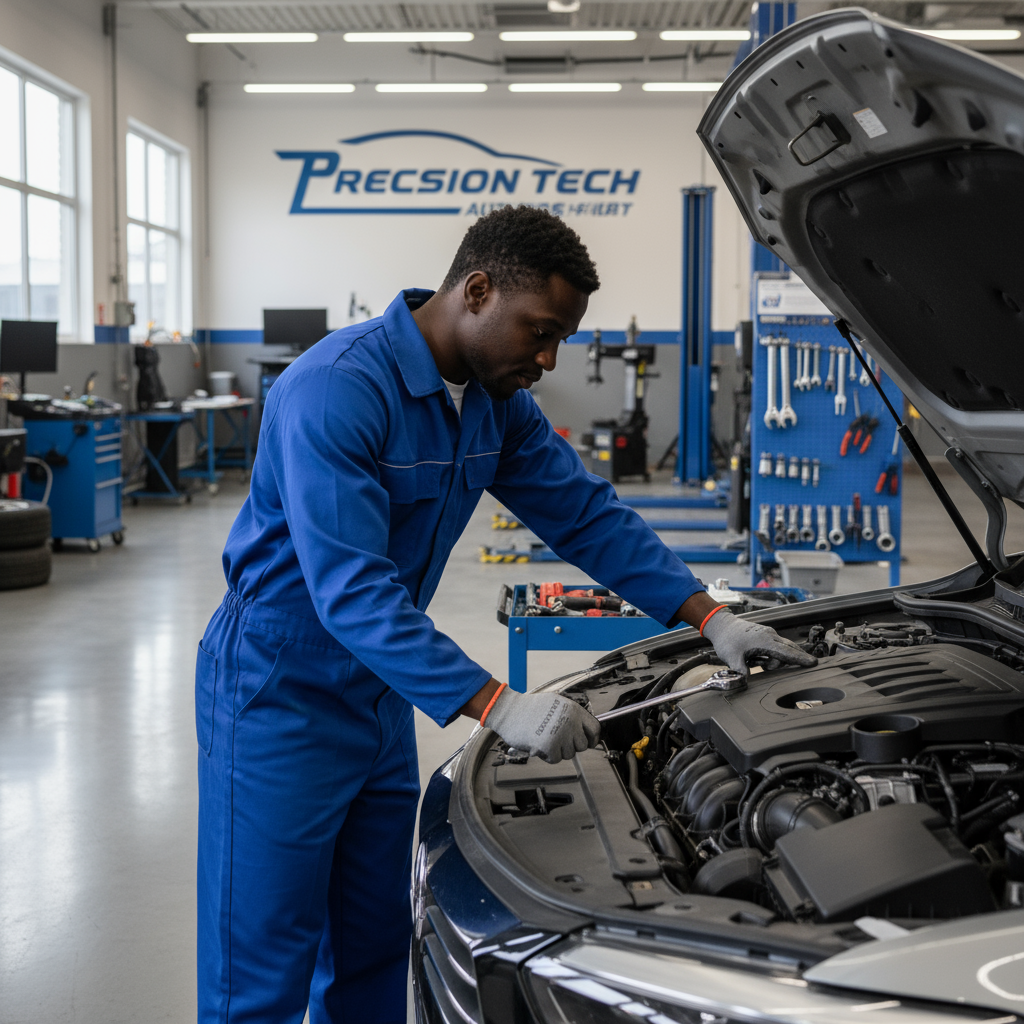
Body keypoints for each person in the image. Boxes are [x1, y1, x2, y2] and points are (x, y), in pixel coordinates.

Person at [195, 206, 814, 1023]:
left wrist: (710, 618)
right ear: (477, 291)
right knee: (263, 961)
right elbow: (349, 589)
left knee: (375, 942)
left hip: (378, 693)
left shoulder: (491, 401)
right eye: (541, 331)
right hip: (278, 687)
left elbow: (584, 514)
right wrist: (497, 702)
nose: (548, 358)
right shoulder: (336, 390)